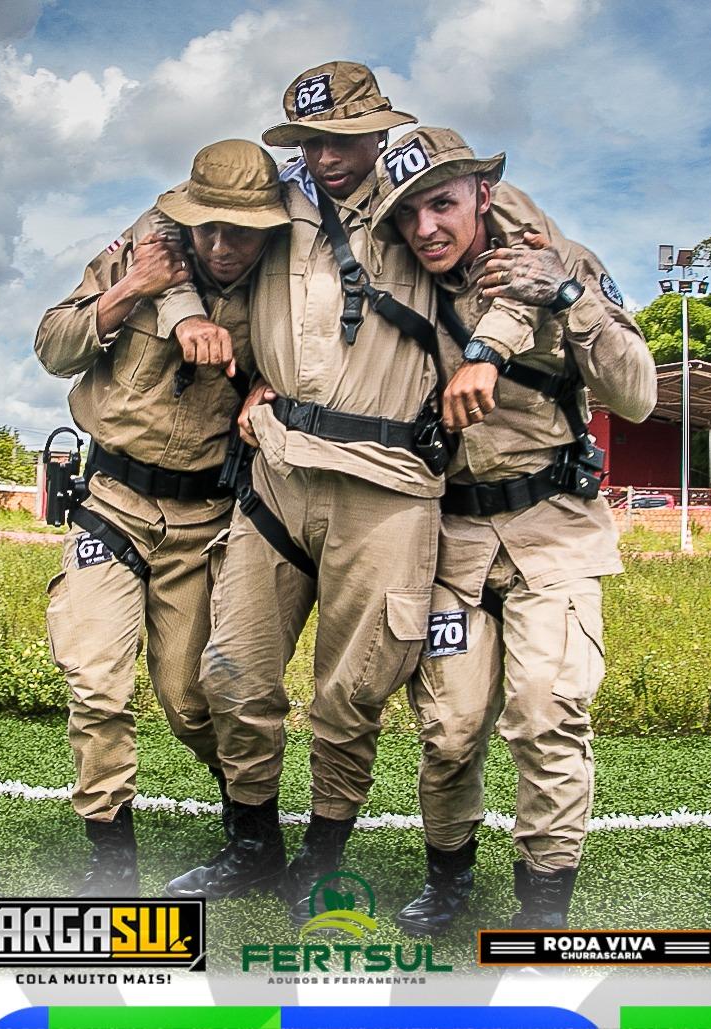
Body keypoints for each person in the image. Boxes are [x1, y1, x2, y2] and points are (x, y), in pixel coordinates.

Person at [166, 61, 460, 922]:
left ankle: (322, 855)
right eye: (309, 141)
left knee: (352, 690)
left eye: (342, 139)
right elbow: (168, 230)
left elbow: (499, 218)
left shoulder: (419, 199)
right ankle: (251, 843)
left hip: (388, 485)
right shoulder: (275, 200)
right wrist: (187, 312)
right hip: (279, 469)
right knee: (232, 670)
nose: (326, 157)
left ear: (380, 129)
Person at [369, 127, 657, 933]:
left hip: (552, 530)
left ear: (482, 195)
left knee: (544, 712)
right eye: (408, 214)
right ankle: (448, 880)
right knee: (449, 728)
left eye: (442, 203)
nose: (426, 226)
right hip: (453, 541)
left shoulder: (560, 261)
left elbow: (637, 395)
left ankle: (542, 908)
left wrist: (566, 293)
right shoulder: (402, 285)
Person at [34, 139, 290, 895]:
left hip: (205, 516)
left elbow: (317, 369)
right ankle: (112, 857)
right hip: (111, 503)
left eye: (242, 231)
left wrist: (270, 391)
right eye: (209, 228)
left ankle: (251, 828)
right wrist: (130, 290)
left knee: (192, 700)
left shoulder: (284, 291)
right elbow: (53, 346)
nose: (223, 245)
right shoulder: (143, 256)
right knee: (97, 681)